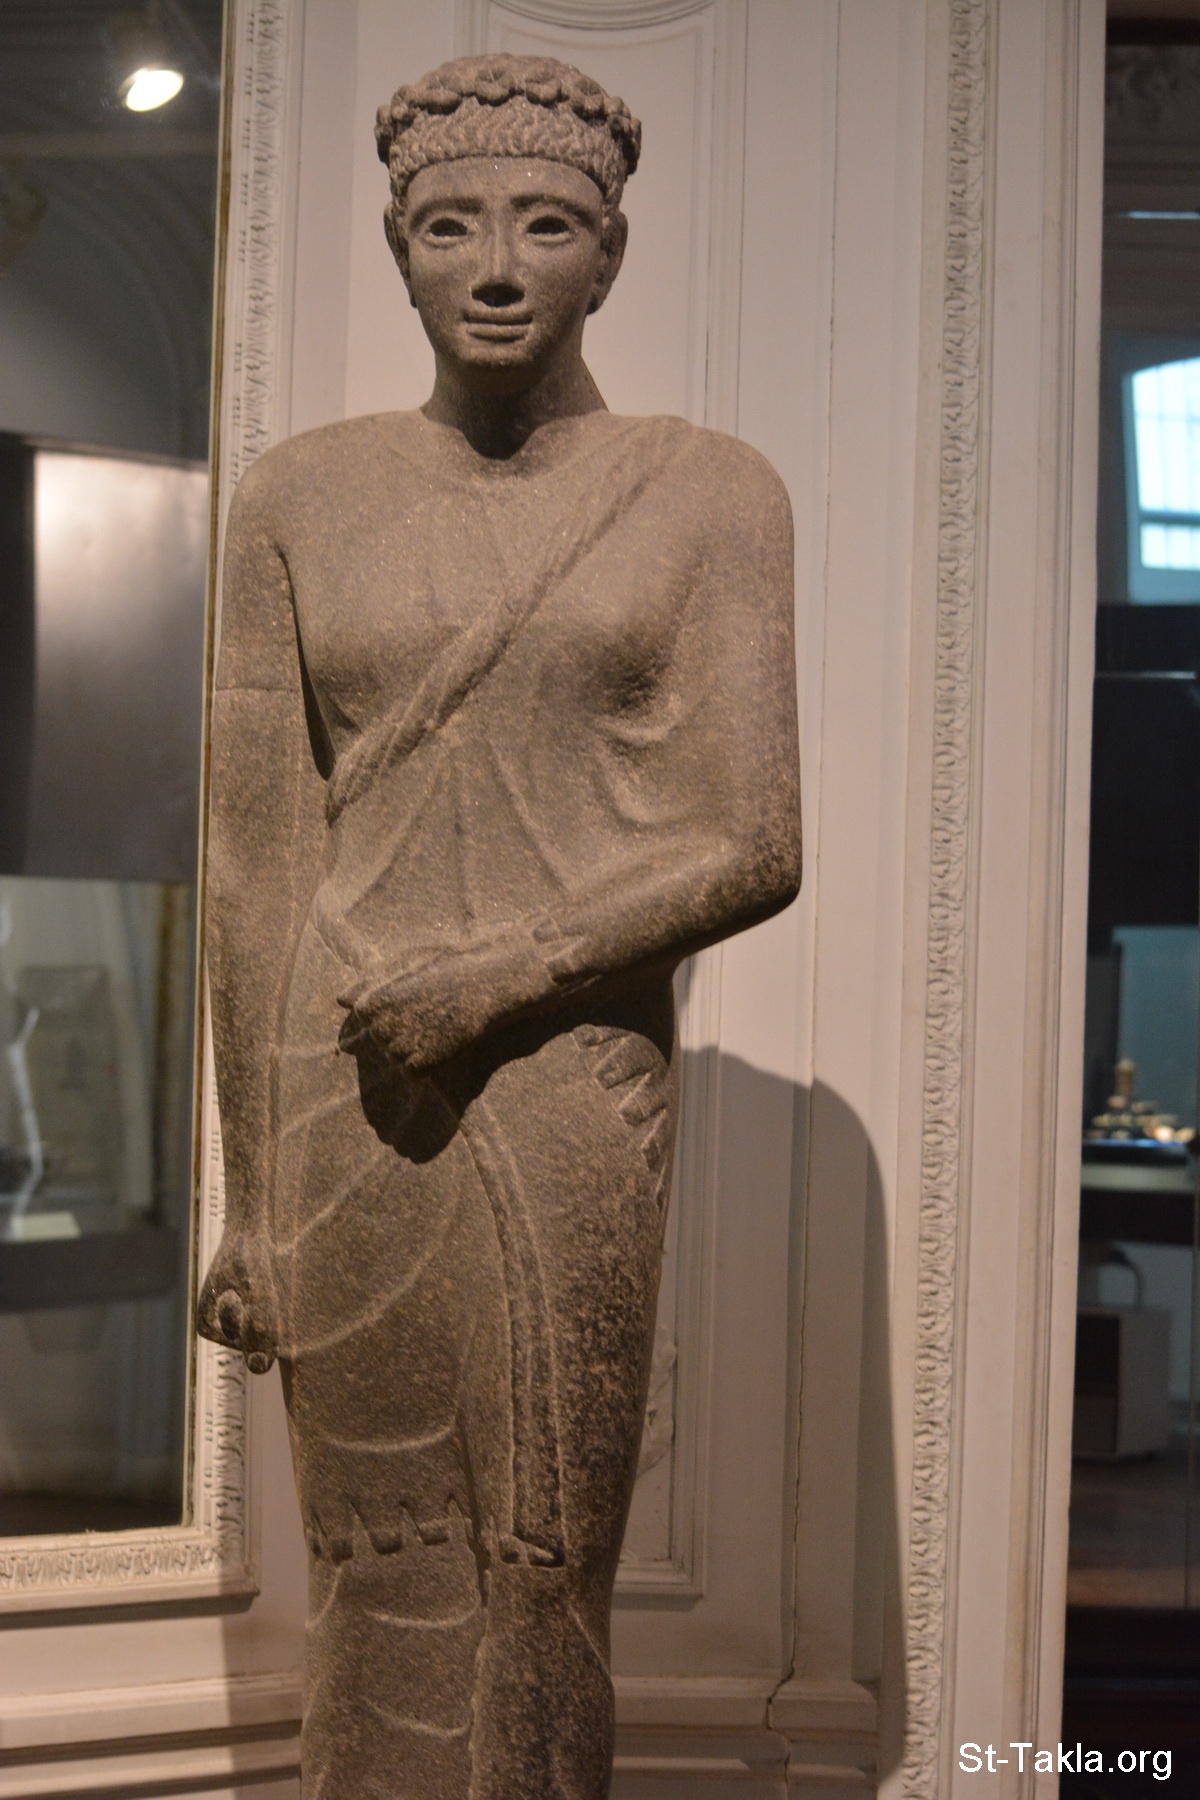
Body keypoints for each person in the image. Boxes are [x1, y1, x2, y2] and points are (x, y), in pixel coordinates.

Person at [197, 53, 801, 1800]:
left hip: (566, 1085)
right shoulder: (300, 498)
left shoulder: (709, 491)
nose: (496, 268)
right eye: (449, 227)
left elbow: (755, 838)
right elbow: (255, 858)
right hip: (348, 1093)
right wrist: (250, 1199)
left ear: (610, 253)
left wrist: (503, 974)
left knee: (545, 1568)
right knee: (369, 1562)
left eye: (546, 226)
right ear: (400, 251)